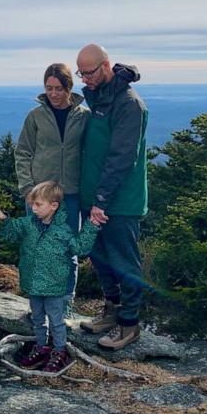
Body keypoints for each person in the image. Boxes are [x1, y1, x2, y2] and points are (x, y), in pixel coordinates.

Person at [75, 43, 148, 350]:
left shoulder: (129, 103)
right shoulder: (101, 97)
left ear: (105, 66)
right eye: (81, 72)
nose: (84, 79)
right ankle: (112, 311)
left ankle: (129, 325)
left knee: (123, 261)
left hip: (117, 203)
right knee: (100, 256)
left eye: (89, 72)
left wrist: (101, 202)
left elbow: (122, 157)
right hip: (95, 200)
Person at [0, 181, 102, 372]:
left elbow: (79, 248)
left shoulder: (63, 232)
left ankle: (59, 351)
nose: (33, 208)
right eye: (32, 204)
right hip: (33, 285)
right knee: (37, 318)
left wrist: (91, 227)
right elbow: (10, 231)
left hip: (54, 287)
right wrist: (1, 218)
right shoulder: (27, 225)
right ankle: (42, 347)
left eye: (38, 204)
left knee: (56, 321)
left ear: (54, 205)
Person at [14, 63, 90, 321]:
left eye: (58, 88)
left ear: (69, 87)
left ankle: (65, 306)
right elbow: (22, 152)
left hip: (69, 195)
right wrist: (27, 188)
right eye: (49, 88)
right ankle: (37, 308)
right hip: (39, 196)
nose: (53, 93)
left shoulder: (83, 116)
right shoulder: (35, 116)